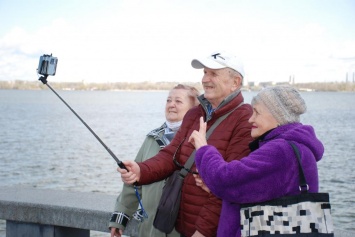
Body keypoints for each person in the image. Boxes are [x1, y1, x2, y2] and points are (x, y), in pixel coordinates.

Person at [117, 50, 253, 237]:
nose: (205, 79)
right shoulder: (195, 114)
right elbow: (171, 155)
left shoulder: (245, 118)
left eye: (213, 73)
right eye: (204, 72)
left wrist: (203, 231)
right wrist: (141, 170)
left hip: (214, 231)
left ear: (235, 82)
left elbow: (231, 183)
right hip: (184, 227)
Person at [189, 85, 324, 237]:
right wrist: (214, 187)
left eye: (257, 112)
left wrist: (203, 149)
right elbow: (255, 190)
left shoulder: (281, 151)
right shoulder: (294, 147)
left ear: (277, 115)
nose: (250, 119)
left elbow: (227, 180)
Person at [109, 84, 200, 237]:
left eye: (178, 101)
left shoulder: (200, 140)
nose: (171, 104)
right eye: (168, 100)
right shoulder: (152, 138)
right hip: (150, 229)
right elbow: (133, 183)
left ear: (193, 110)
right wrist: (120, 217)